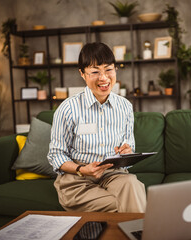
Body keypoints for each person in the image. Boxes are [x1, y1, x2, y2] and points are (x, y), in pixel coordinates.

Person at [47, 42, 146, 213]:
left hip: (113, 174)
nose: (104, 78)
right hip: (77, 178)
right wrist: (82, 169)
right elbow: (56, 154)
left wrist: (126, 153)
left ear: (115, 69)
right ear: (82, 74)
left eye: (108, 69)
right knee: (130, 204)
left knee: (132, 184)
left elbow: (129, 146)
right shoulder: (68, 108)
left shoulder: (125, 107)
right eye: (95, 72)